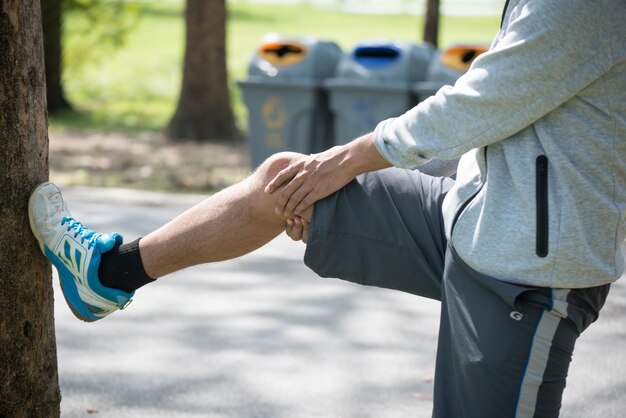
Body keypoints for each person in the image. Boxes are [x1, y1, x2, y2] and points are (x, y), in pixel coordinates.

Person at [28, 0, 625, 416]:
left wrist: (347, 158)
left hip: (529, 270)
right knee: (285, 182)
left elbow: (481, 103)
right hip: (469, 212)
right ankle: (107, 275)